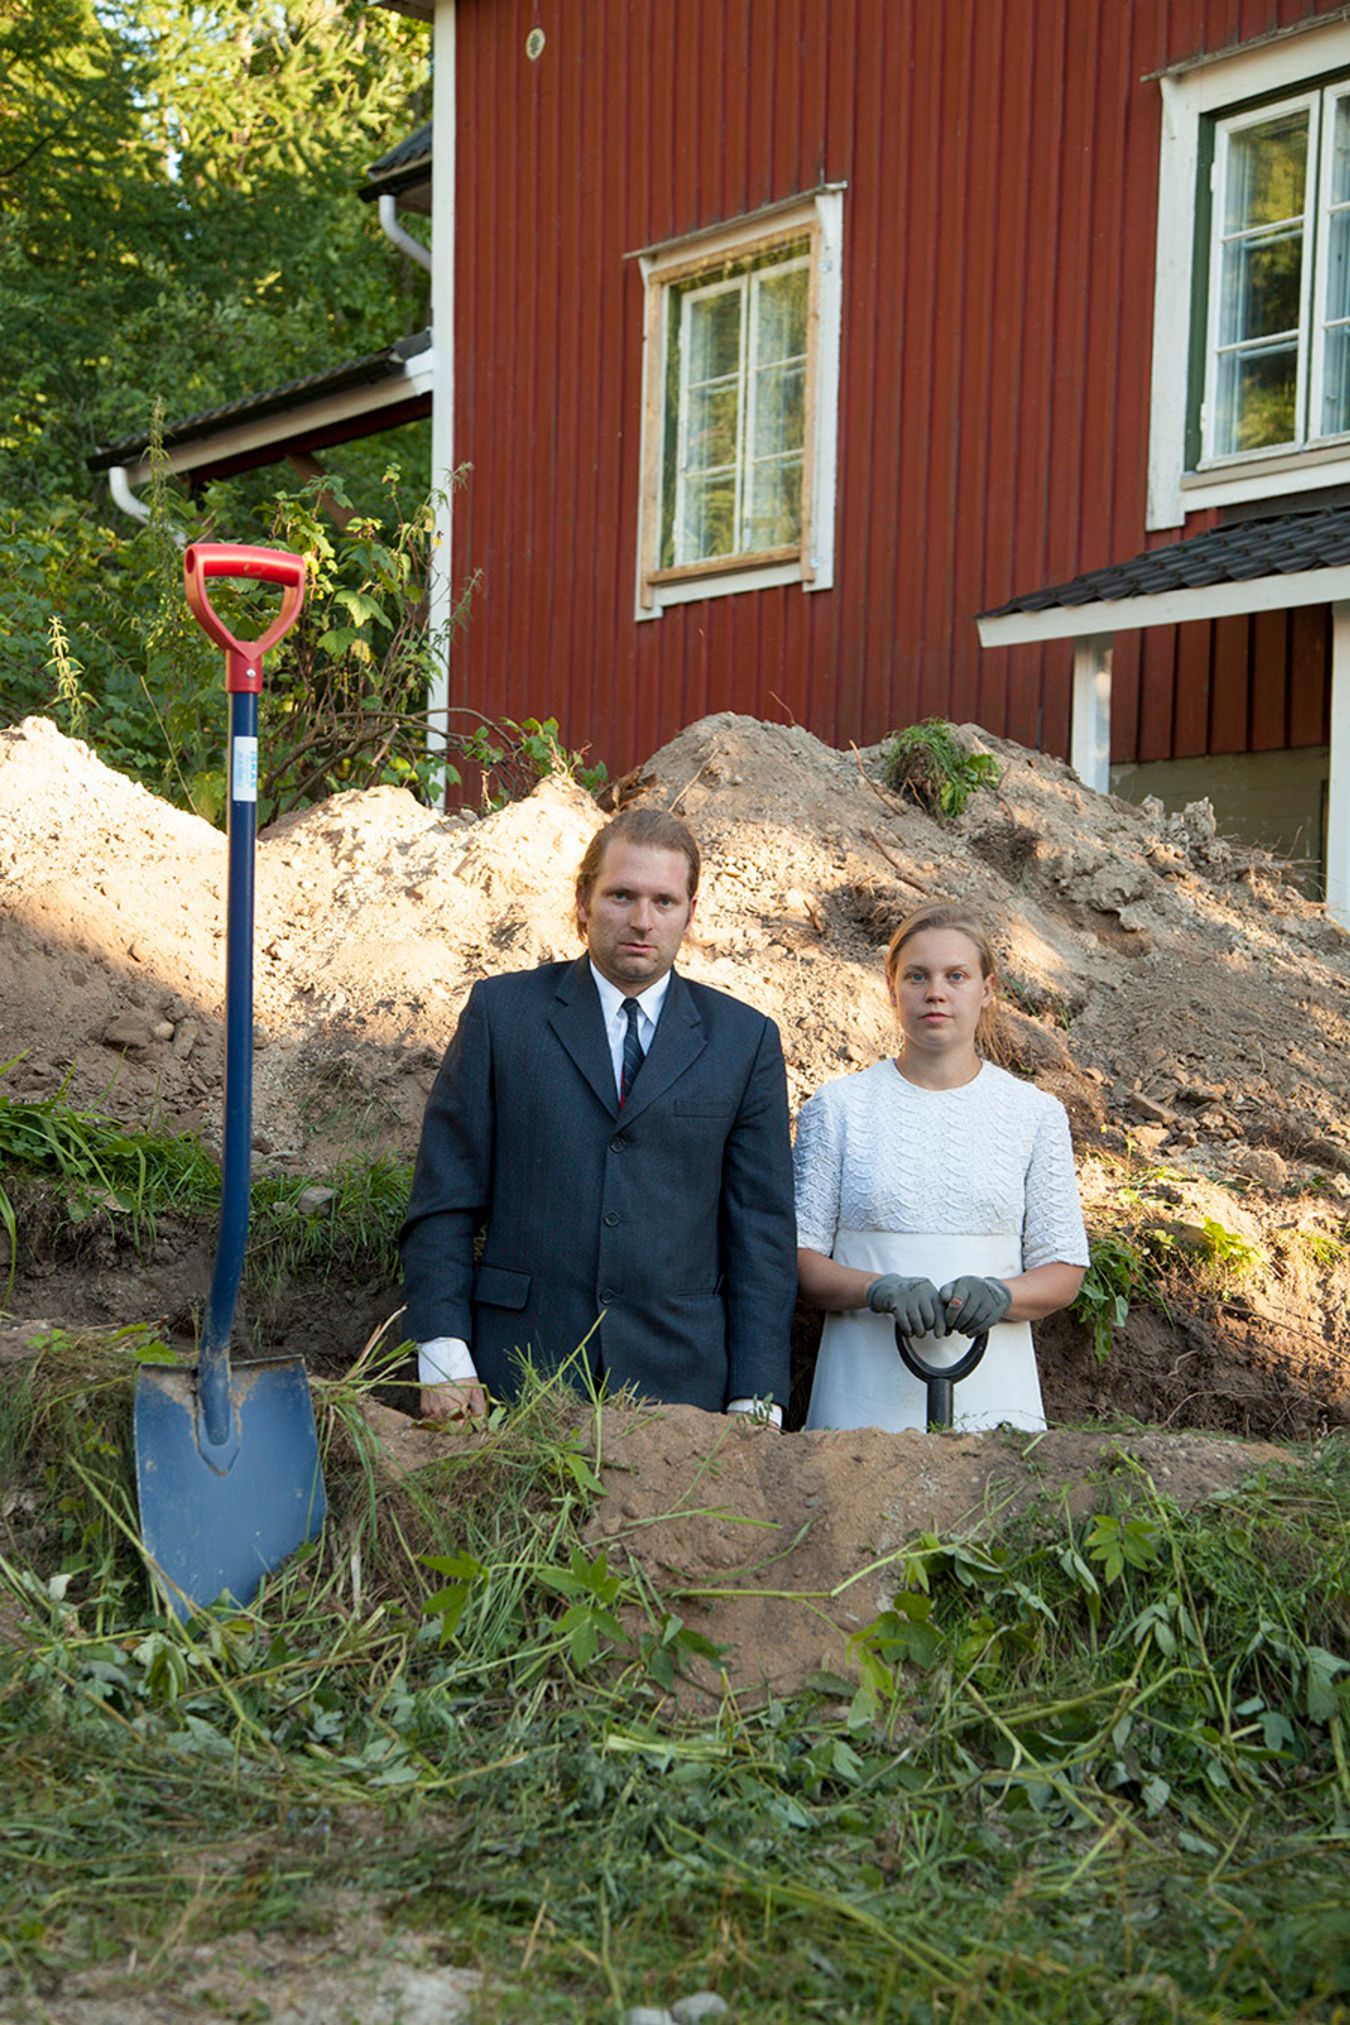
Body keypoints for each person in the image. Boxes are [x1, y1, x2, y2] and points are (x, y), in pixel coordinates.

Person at [400, 807, 796, 1424]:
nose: (642, 921)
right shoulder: (502, 1015)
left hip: (681, 1383)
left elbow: (761, 1235)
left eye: (665, 901)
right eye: (621, 895)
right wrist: (445, 1355)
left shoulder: (743, 1042)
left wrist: (757, 1392)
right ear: (583, 901)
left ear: (691, 914)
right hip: (519, 1372)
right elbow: (445, 1199)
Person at [793, 901, 1088, 1432]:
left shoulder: (1034, 1114)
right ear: (892, 989)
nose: (936, 992)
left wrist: (1002, 1295)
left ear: (987, 989)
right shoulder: (837, 1109)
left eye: (956, 976)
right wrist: (877, 1289)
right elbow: (799, 1260)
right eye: (917, 976)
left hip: (995, 1382)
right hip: (862, 1383)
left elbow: (1063, 1269)